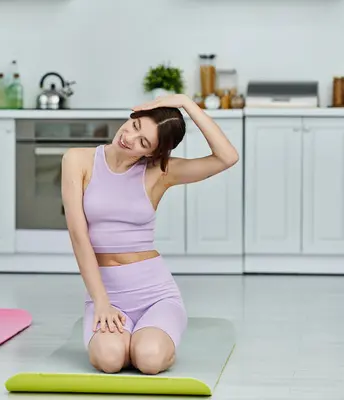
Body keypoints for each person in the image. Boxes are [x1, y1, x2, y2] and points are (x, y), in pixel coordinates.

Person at [61, 93, 239, 375]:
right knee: (109, 360)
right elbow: (77, 234)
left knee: (149, 359)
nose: (129, 138)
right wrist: (102, 304)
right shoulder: (78, 160)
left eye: (144, 142)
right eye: (135, 126)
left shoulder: (160, 172)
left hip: (154, 294)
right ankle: (127, 339)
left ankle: (149, 337)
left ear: (153, 153)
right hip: (107, 295)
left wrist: (186, 103)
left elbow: (227, 157)